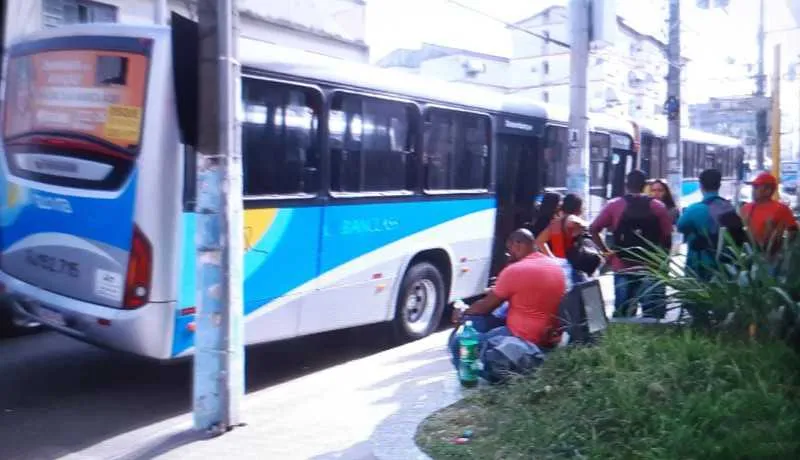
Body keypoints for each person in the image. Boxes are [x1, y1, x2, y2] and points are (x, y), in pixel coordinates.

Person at [449, 229, 567, 368]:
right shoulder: (555, 266)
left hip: (521, 337)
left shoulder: (516, 270)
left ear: (517, 245)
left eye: (509, 248)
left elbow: (485, 306)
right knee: (481, 323)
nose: (508, 253)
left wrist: (464, 312)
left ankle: (470, 378)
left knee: (459, 340)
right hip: (547, 337)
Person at [589, 170, 673, 318]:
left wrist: (606, 251)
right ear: (644, 186)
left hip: (622, 266)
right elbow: (667, 237)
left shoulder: (614, 205)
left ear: (626, 185)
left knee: (623, 314)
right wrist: (663, 259)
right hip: (650, 267)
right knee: (653, 316)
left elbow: (593, 229)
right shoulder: (658, 206)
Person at [535, 193, 589, 284]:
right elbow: (577, 222)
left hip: (557, 267)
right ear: (578, 208)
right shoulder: (569, 219)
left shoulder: (555, 223)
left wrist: (552, 259)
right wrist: (588, 226)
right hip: (570, 268)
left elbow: (539, 241)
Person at [741, 172, 798, 256]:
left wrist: (782, 250)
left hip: (772, 257)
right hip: (749, 255)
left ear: (768, 190)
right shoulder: (745, 208)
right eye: (753, 187)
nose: (753, 191)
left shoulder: (781, 209)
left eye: (757, 187)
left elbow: (793, 232)